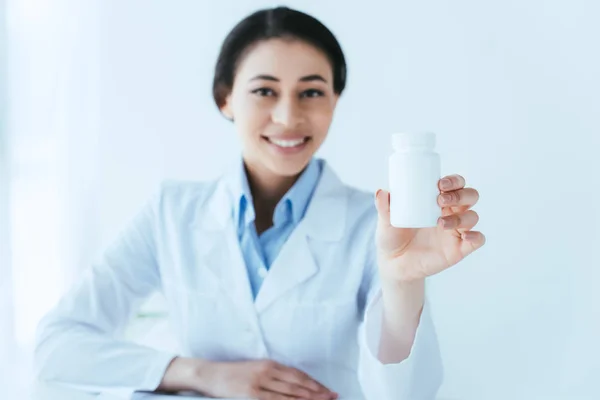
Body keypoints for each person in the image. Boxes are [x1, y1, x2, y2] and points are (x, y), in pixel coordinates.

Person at [34, 6, 485, 400]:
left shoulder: (380, 224)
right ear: (226, 98)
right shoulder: (170, 213)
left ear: (335, 101)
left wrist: (401, 282)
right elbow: (57, 344)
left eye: (311, 92)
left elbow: (407, 394)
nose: (288, 117)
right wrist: (203, 374)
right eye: (264, 91)